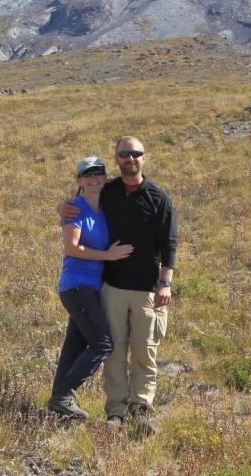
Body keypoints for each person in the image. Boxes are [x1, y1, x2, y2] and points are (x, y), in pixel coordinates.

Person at [59, 136, 178, 425]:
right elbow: (80, 202)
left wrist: (165, 283)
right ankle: (115, 411)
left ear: (144, 158)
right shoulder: (108, 191)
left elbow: (170, 244)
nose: (130, 158)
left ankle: (141, 408)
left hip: (146, 290)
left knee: (145, 352)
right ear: (117, 159)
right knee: (112, 353)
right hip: (111, 288)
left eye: (136, 153)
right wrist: (63, 207)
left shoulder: (158, 198)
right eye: (124, 154)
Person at [48, 155, 134, 419]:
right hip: (76, 287)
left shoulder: (105, 206)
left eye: (99, 172)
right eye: (88, 174)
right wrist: (107, 256)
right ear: (79, 180)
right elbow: (71, 248)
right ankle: (65, 394)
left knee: (74, 346)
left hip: (91, 289)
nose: (94, 177)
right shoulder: (75, 208)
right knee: (102, 343)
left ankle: (58, 400)